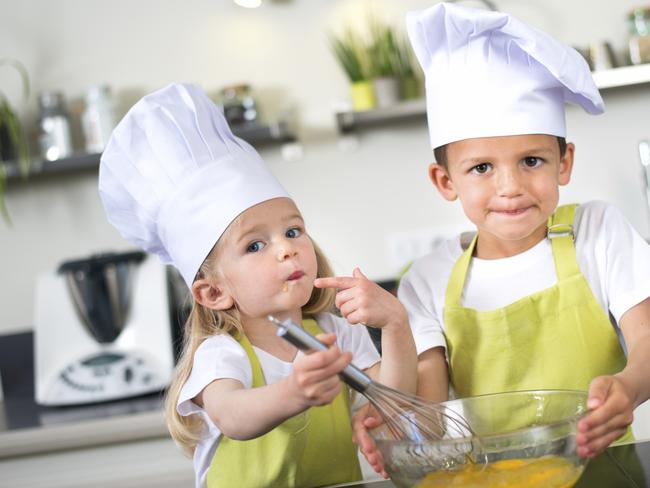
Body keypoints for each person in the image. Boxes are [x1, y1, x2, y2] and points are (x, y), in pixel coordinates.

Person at [354, 2, 650, 477]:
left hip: (607, 474)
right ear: (445, 180)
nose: (510, 187)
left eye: (531, 160)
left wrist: (629, 386)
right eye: (482, 168)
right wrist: (396, 428)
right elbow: (430, 411)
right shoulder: (427, 281)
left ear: (564, 162)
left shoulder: (597, 232)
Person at [98, 83, 416, 488]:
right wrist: (295, 392)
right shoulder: (222, 355)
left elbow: (394, 401)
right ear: (214, 292)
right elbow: (234, 416)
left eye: (293, 230)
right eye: (255, 245)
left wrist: (395, 325)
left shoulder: (338, 333)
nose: (286, 249)